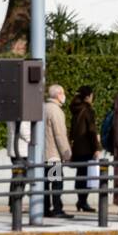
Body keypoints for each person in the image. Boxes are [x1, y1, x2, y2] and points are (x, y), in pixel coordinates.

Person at [69, 86, 101, 213]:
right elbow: (91, 131)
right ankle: (82, 201)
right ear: (88, 96)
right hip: (86, 148)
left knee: (80, 174)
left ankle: (79, 201)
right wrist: (96, 147)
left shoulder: (75, 109)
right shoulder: (87, 110)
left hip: (77, 147)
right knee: (86, 175)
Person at [43, 84, 73, 218]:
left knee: (44, 184)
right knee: (56, 183)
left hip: (42, 154)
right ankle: (57, 209)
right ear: (58, 94)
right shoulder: (55, 111)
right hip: (53, 154)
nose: (64, 96)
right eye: (63, 93)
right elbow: (59, 134)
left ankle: (44, 209)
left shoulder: (42, 108)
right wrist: (67, 153)